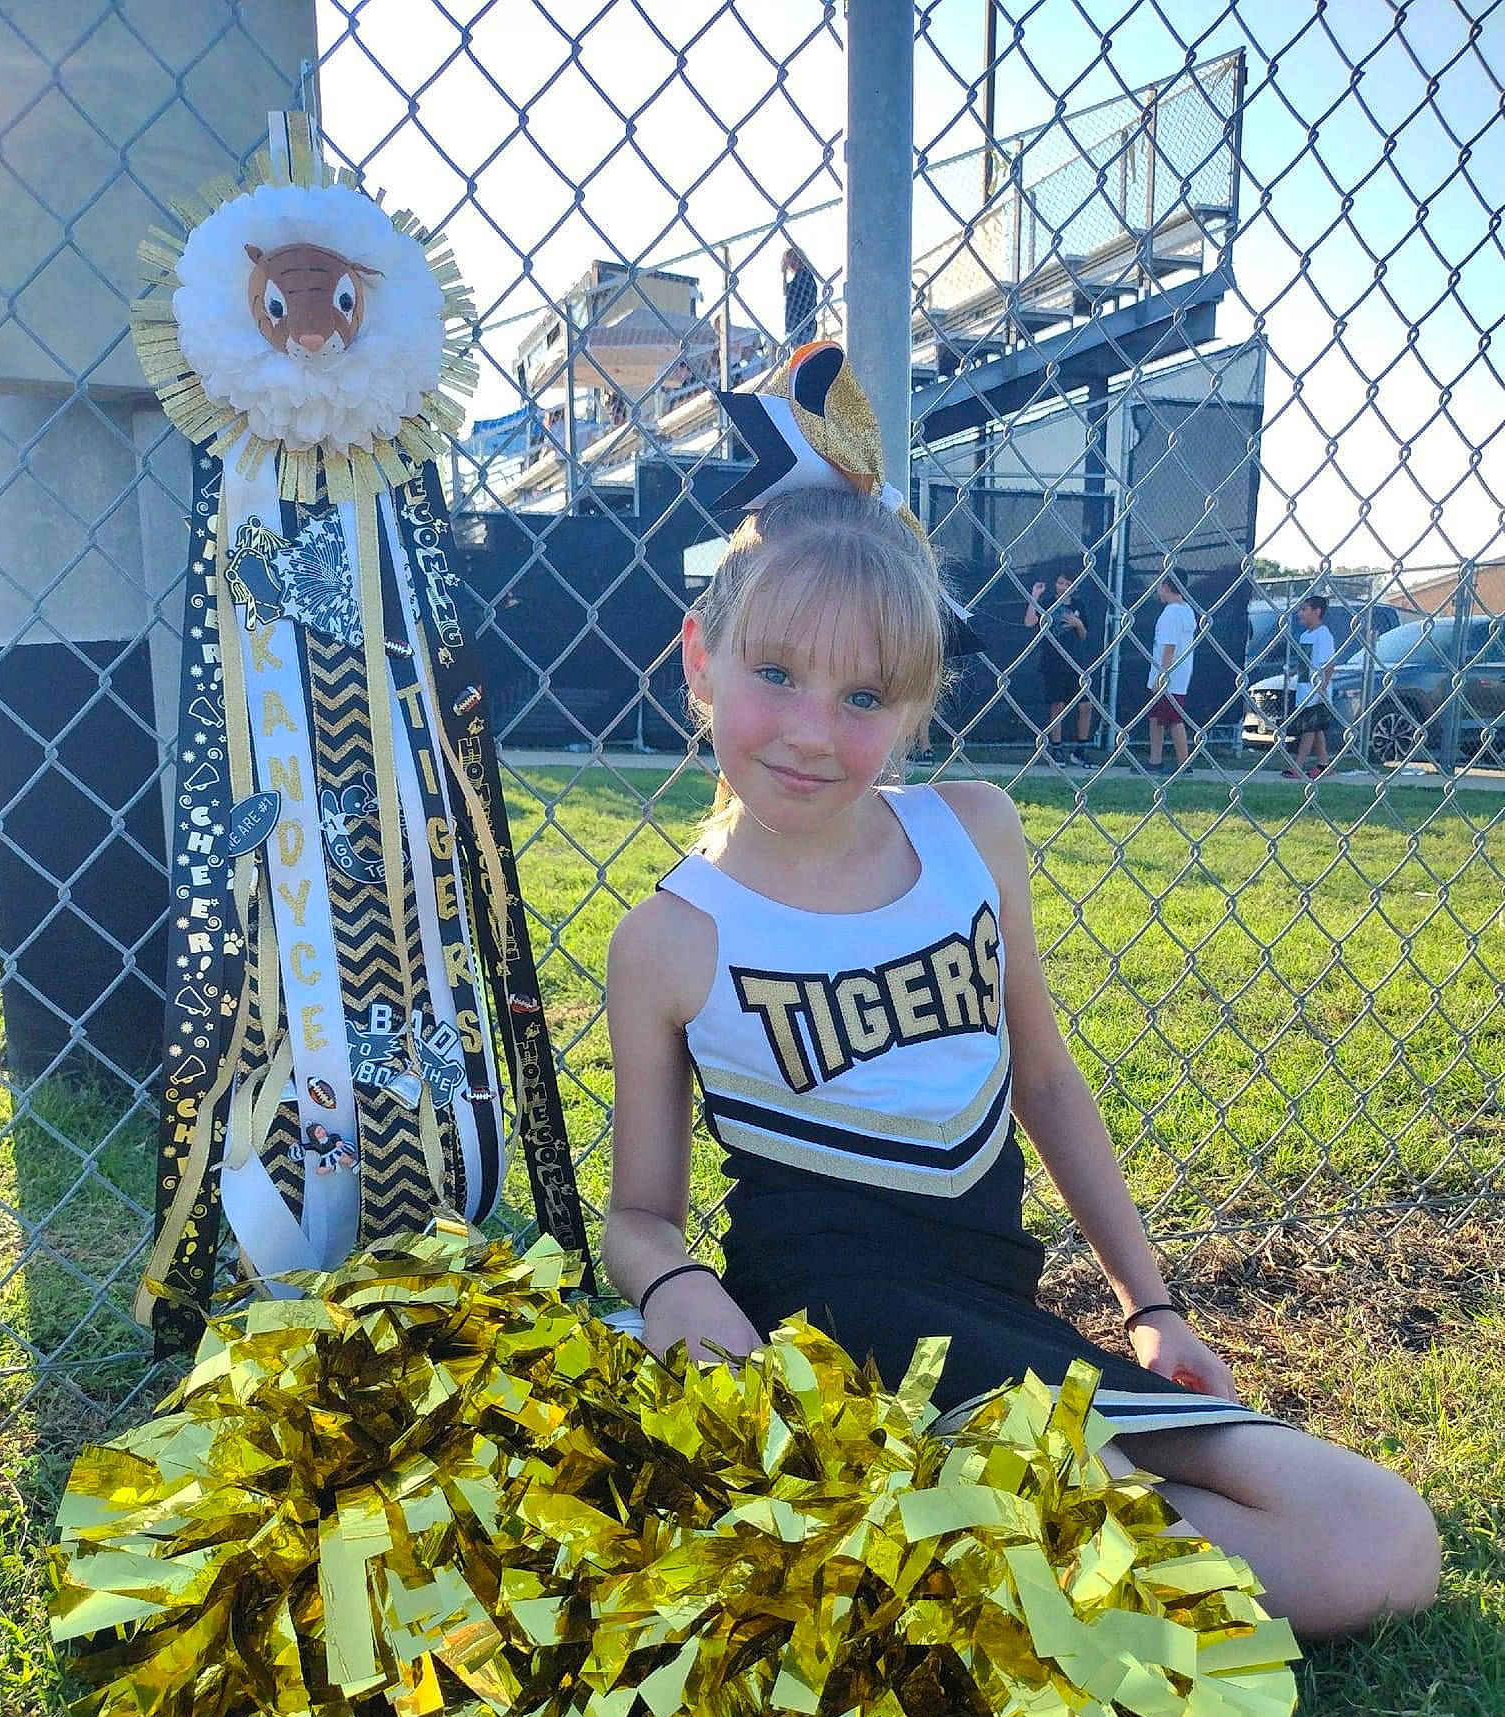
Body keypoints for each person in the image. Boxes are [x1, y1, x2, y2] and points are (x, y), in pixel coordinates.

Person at [604, 478, 1438, 1641]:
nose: (810, 729)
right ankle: (953, 1536)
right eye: (776, 672)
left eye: (864, 694)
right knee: (1178, 1525)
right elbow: (638, 1216)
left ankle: (958, 1555)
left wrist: (1152, 1305)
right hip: (832, 1338)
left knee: (1383, 1542)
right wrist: (678, 1288)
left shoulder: (971, 833)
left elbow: (1042, 1077)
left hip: (995, 1310)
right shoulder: (669, 938)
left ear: (916, 702)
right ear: (702, 656)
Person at [1024, 569, 1094, 763]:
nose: (1063, 587)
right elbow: (1029, 622)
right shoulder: (1047, 604)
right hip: (1053, 663)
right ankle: (1057, 748)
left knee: (1086, 705)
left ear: (1074, 586)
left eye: (1067, 584)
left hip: (1075, 664)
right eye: (1060, 583)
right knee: (1058, 705)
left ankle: (1080, 751)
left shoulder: (1078, 606)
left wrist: (1078, 624)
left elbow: (1083, 635)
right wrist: (1035, 596)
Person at [1143, 572, 1195, 774]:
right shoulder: (1187, 610)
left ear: (1166, 586)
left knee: (1173, 719)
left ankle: (1184, 763)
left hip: (1168, 676)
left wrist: (1161, 675)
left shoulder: (1171, 614)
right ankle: (1155, 760)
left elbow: (1169, 647)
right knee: (1155, 717)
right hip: (1180, 673)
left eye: (1159, 585)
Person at [1284, 592, 1336, 780]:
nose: (1300, 613)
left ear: (1317, 611)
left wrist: (1322, 689)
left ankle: (1297, 766)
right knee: (1316, 729)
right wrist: (1293, 672)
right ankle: (1324, 765)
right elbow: (1306, 662)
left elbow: (1329, 665)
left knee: (1309, 730)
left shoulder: (1324, 635)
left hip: (1316, 694)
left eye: (1304, 609)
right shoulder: (1305, 636)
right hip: (1303, 691)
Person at [781, 244, 819, 346]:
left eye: (793, 259)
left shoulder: (804, 274)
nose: (791, 264)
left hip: (802, 323)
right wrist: (784, 273)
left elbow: (787, 291)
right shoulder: (803, 275)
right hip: (799, 324)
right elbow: (786, 291)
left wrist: (784, 273)